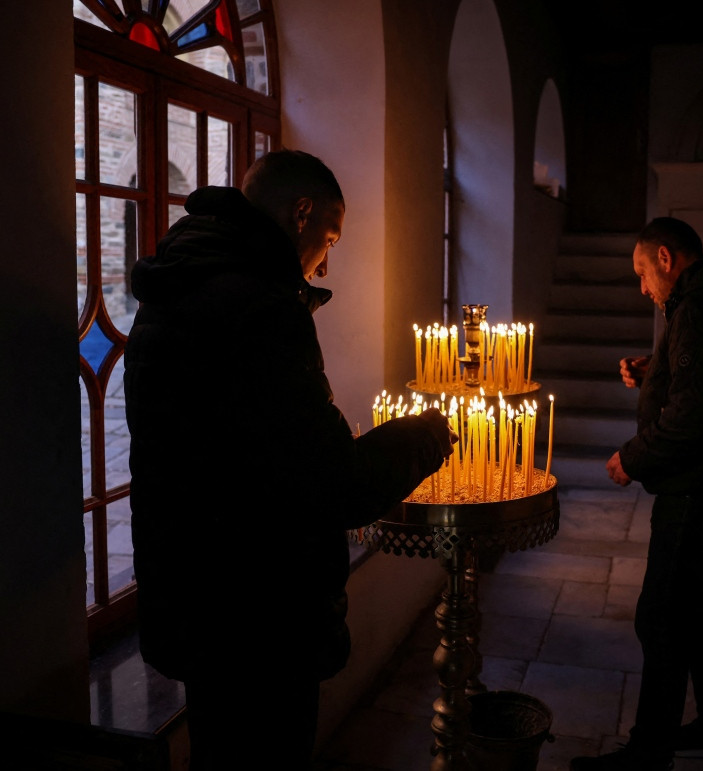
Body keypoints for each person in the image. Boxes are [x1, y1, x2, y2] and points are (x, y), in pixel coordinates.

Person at [123, 149, 456, 769]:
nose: (326, 259)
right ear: (300, 212)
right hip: (260, 614)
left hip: (196, 596)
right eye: (328, 237)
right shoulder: (261, 311)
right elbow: (333, 483)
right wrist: (426, 436)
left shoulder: (179, 286)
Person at [571, 217, 703, 771]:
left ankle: (649, 750)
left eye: (642, 273)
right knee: (695, 607)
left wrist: (632, 457)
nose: (642, 288)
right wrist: (656, 370)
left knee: (661, 615)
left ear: (666, 258)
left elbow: (694, 416)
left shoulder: (700, 308)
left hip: (699, 487)